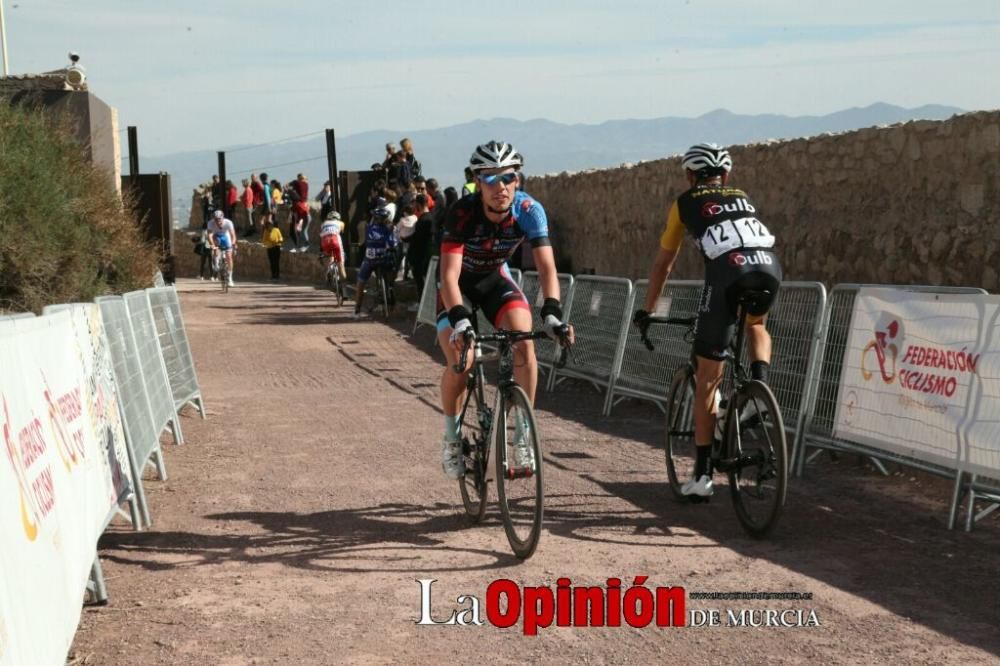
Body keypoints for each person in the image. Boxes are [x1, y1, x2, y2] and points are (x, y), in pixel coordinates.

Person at [633, 143, 782, 500]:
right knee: (756, 326)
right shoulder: (742, 196)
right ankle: (758, 390)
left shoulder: (684, 203)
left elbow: (663, 263)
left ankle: (702, 476)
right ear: (725, 176)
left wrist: (649, 309)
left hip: (729, 275)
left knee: (707, 381)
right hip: (769, 267)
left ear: (689, 176)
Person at [436, 141, 573, 479]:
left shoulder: (529, 210)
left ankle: (523, 436)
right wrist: (461, 322)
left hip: (495, 282)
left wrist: (552, 314)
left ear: (518, 179)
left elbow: (547, 271)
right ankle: (452, 438)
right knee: (462, 361)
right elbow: (449, 277)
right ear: (477, 182)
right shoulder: (462, 212)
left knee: (525, 345)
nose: (500, 187)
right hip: (458, 291)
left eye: (508, 178)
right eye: (490, 179)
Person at [353, 199, 398, 319]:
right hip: (384, 259)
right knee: (390, 272)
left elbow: (363, 241)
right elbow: (393, 244)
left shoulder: (368, 228)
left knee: (361, 281)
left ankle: (357, 308)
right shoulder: (389, 229)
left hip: (369, 260)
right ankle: (390, 290)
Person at [407, 194, 434, 305]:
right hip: (428, 255)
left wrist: (406, 239)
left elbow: (416, 240)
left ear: (418, 204)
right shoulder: (431, 218)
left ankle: (421, 304)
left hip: (419, 257)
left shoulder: (422, 220)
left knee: (420, 281)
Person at [207, 209, 237, 287]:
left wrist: (233, 243)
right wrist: (213, 246)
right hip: (216, 237)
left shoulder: (228, 222)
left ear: (223, 218)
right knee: (215, 243)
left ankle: (230, 277)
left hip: (225, 236)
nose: (218, 221)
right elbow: (210, 236)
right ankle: (216, 260)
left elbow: (233, 235)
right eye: (216, 219)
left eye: (219, 219)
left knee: (229, 257)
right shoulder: (210, 223)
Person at [320, 211, 347, 280]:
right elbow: (342, 232)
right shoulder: (341, 223)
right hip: (335, 239)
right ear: (338, 218)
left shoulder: (323, 223)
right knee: (341, 264)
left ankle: (329, 270)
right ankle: (344, 283)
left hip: (324, 241)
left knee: (329, 255)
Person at [261, 211, 283, 281]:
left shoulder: (276, 230)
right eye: (269, 225)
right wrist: (270, 243)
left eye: (271, 225)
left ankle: (277, 275)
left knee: (276, 261)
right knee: (272, 262)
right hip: (270, 248)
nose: (270, 226)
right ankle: (273, 275)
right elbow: (264, 241)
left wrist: (277, 241)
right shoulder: (266, 231)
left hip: (277, 247)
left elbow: (281, 238)